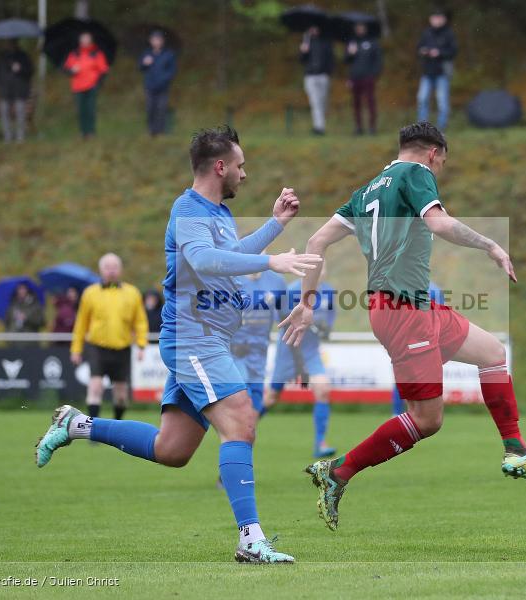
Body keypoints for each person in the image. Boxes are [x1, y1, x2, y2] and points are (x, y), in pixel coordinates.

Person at [35, 126, 320, 563]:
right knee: (241, 420)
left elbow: (226, 257)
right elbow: (204, 260)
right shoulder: (187, 210)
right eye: (240, 166)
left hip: (208, 341)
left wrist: (275, 226)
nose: (244, 175)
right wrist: (271, 260)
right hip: (195, 340)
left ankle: (76, 424)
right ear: (220, 166)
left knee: (172, 450)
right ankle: (250, 539)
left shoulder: (218, 215)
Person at [281, 122, 526, 532]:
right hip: (402, 311)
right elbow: (439, 223)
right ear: (433, 154)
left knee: (492, 354)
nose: (439, 172)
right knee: (427, 419)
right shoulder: (417, 174)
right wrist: (490, 244)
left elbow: (314, 244)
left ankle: (516, 449)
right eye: (443, 163)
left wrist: (306, 304)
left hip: (413, 306)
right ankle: (339, 471)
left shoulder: (365, 192)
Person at [69, 254, 147, 421]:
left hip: (122, 348)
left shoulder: (132, 293)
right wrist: (76, 349)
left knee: (121, 394)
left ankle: (117, 426)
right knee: (95, 387)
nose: (111, 271)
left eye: (115, 267)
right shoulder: (90, 293)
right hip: (97, 347)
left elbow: (140, 322)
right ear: (100, 270)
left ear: (120, 270)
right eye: (107, 267)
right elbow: (81, 324)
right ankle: (93, 429)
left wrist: (141, 345)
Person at [266, 273, 336, 457]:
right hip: (289, 350)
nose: (320, 272)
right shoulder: (292, 290)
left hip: (311, 352)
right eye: (316, 268)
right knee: (272, 397)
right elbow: (279, 318)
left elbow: (330, 317)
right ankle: (242, 432)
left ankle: (320, 443)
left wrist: (325, 328)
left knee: (323, 390)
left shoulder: (328, 291)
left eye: (322, 267)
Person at [231, 269, 286, 416]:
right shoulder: (231, 278)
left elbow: (285, 316)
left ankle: (244, 437)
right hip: (234, 350)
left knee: (255, 401)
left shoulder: (277, 281)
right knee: (242, 392)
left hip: (260, 350)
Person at [391, 281, 443, 415]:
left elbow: (441, 316)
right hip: (410, 342)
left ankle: (405, 414)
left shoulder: (434, 290)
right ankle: (403, 414)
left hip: (420, 342)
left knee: (409, 379)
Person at [416, 9, 457, 131]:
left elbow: (453, 51)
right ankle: (422, 127)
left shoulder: (449, 34)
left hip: (442, 73)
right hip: (427, 72)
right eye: (434, 18)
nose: (436, 20)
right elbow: (418, 48)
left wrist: (439, 53)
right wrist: (424, 51)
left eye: (439, 18)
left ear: (444, 19)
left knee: (442, 102)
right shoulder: (426, 33)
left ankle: (441, 127)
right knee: (422, 99)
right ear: (430, 19)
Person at [64, 32, 109, 139]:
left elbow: (104, 70)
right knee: (81, 110)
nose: (85, 41)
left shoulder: (96, 53)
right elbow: (66, 69)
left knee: (90, 109)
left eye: (87, 39)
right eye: (83, 39)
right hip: (77, 87)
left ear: (90, 40)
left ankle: (91, 131)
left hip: (91, 86)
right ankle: (83, 131)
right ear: (80, 41)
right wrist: (72, 70)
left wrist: (98, 84)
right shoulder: (74, 54)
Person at [345, 23, 382, 135]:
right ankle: (358, 127)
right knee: (356, 103)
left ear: (365, 29)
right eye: (358, 28)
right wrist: (350, 53)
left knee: (370, 102)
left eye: (362, 27)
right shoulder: (352, 42)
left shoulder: (372, 42)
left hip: (368, 77)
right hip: (355, 77)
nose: (360, 29)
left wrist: (374, 74)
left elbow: (378, 60)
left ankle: (372, 127)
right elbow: (346, 61)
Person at [139, 30, 177, 137]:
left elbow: (172, 70)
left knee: (161, 109)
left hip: (163, 87)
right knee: (150, 108)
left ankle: (160, 131)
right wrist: (144, 63)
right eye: (154, 40)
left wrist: (163, 80)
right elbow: (141, 68)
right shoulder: (147, 54)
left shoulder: (168, 54)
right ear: (150, 41)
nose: (156, 42)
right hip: (149, 86)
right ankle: (151, 131)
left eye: (158, 40)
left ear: (162, 41)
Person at [0, 40, 33, 143]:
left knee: (20, 112)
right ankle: (7, 136)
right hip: (5, 90)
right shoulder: (1, 57)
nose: (8, 45)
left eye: (11, 43)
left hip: (20, 89)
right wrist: (0, 84)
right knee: (4, 112)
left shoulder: (23, 56)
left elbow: (30, 71)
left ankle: (20, 136)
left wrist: (20, 69)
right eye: (7, 44)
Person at [300, 25, 335, 135]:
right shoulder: (306, 42)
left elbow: (330, 59)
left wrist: (328, 72)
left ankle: (320, 123)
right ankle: (319, 127)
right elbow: (302, 60)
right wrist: (303, 51)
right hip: (310, 76)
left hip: (323, 75)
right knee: (315, 102)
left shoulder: (325, 42)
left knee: (322, 102)